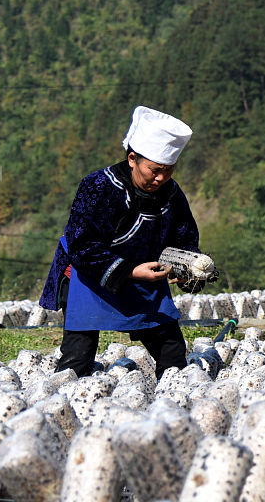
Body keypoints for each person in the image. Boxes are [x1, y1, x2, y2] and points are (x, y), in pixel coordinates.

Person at [39, 105, 202, 379]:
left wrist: (187, 267)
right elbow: (82, 245)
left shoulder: (171, 194)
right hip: (90, 278)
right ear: (132, 159)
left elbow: (185, 239)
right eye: (154, 170)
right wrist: (129, 271)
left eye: (169, 170)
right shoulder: (98, 187)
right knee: (76, 362)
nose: (161, 178)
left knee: (173, 356)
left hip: (146, 281)